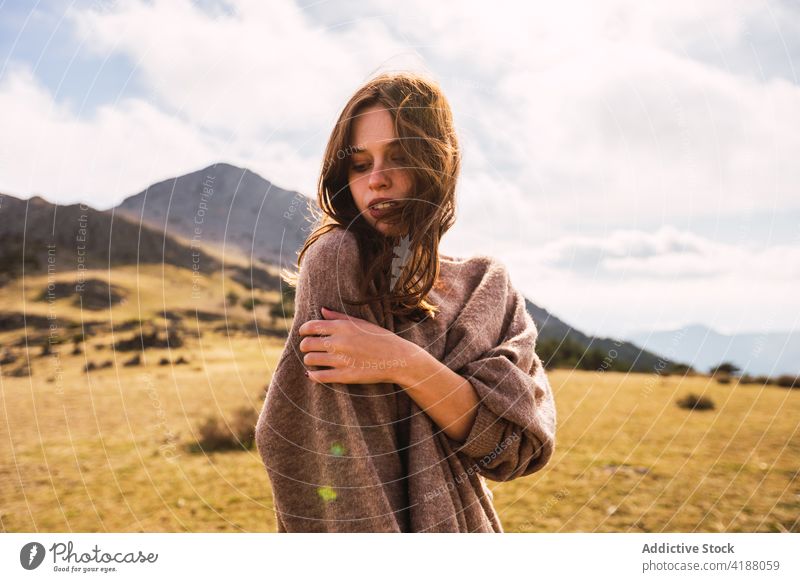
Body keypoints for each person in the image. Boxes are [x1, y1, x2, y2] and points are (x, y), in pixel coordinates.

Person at [255, 71, 557, 532]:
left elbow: (513, 450)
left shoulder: (486, 287)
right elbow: (338, 459)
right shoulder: (336, 261)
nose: (377, 179)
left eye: (399, 156)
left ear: (438, 163)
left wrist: (401, 361)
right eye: (359, 164)